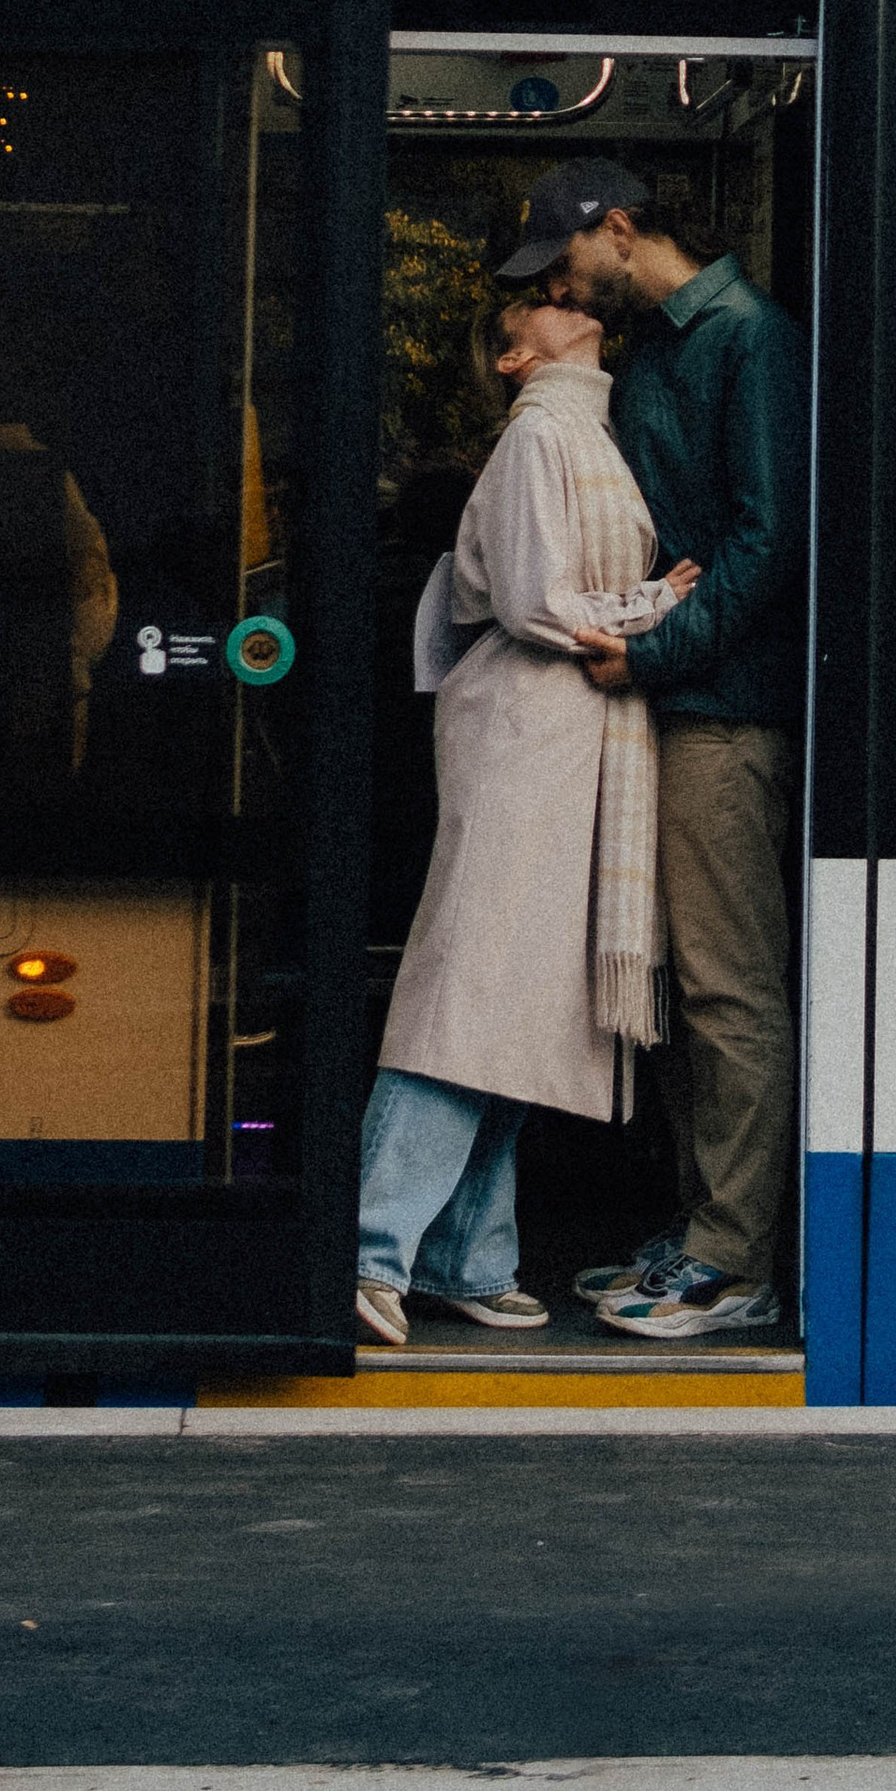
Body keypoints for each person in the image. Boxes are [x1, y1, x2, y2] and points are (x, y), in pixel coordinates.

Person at [506, 155, 808, 1346]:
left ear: (618, 229)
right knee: (685, 987)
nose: (567, 296)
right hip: (675, 701)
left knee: (729, 987)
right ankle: (699, 1235)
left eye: (567, 267)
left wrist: (654, 653)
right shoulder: (667, 351)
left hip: (720, 710)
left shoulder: (749, 339)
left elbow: (769, 539)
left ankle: (734, 1260)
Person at [354, 296, 692, 1349]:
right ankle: (369, 1249)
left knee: (520, 1000)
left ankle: (464, 1254)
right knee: (477, 987)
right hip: (529, 731)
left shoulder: (574, 430)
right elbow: (541, 605)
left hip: (558, 735)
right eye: (532, 304)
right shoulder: (543, 432)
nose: (563, 300)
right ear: (512, 355)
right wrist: (655, 604)